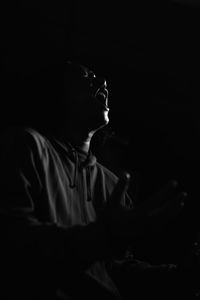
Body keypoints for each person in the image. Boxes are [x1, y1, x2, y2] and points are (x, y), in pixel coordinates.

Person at [0, 61, 187, 300]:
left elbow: (112, 270)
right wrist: (103, 237)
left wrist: (179, 276)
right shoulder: (26, 145)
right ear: (58, 93)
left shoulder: (111, 183)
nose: (103, 83)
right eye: (87, 78)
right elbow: (13, 241)